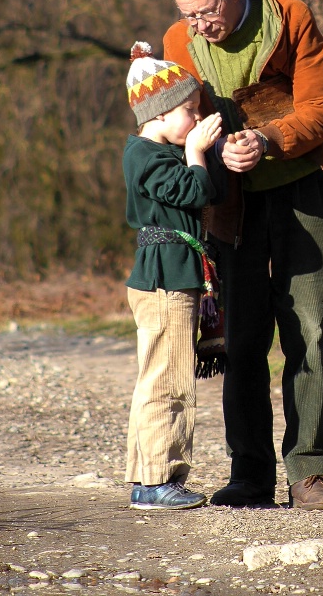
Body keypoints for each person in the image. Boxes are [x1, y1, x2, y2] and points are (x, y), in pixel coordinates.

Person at [163, 0, 323, 511]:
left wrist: (268, 139)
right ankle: (249, 474)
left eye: (206, 12)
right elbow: (174, 120)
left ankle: (308, 474)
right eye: (188, 16)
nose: (198, 26)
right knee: (245, 338)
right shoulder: (180, 42)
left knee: (310, 328)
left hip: (304, 192)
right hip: (232, 205)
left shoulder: (290, 17)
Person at [123, 40, 223, 510]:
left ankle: (149, 478)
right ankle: (159, 479)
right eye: (189, 109)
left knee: (157, 378)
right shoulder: (148, 156)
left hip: (169, 274)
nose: (196, 120)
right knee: (169, 382)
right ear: (160, 114)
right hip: (166, 279)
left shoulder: (151, 152)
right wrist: (198, 152)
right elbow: (193, 191)